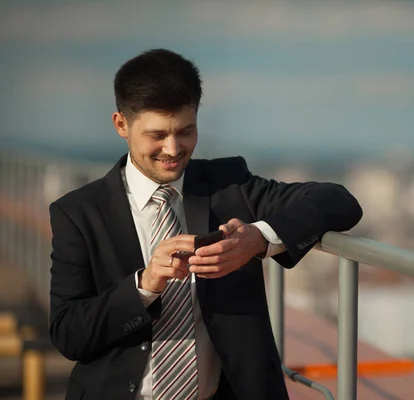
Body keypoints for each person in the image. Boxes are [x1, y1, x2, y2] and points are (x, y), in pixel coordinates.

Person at [48, 48, 363, 400]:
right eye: (157, 135)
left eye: (185, 131)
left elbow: (339, 201)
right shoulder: (77, 213)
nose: (172, 148)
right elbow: (68, 334)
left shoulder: (229, 186)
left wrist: (258, 238)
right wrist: (144, 285)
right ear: (121, 124)